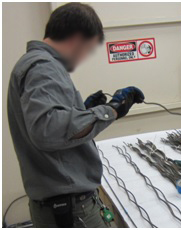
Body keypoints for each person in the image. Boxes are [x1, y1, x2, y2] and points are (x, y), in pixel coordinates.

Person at [7, 2, 144, 228]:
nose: (84, 58)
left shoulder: (34, 64)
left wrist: (84, 110)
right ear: (77, 38)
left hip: (62, 207)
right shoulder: (43, 67)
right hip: (70, 210)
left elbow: (51, 121)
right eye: (88, 49)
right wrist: (111, 110)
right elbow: (47, 130)